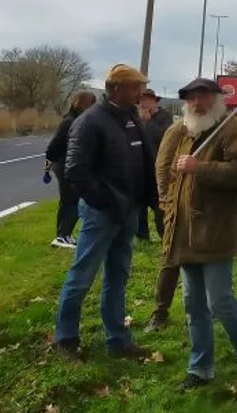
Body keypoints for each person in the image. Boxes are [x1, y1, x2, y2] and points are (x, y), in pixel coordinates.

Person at [158, 78, 237, 408]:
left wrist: (199, 168)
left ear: (217, 99)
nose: (197, 103)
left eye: (203, 96)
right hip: (186, 234)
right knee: (193, 304)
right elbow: (168, 169)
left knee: (220, 301)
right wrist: (166, 203)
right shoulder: (183, 131)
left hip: (216, 232)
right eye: (191, 98)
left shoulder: (231, 129)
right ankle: (201, 367)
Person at [54, 64, 158, 361]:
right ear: (115, 88)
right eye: (134, 87)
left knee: (117, 277)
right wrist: (104, 202)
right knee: (82, 276)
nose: (140, 93)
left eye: (140, 87)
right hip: (103, 213)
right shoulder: (90, 122)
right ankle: (66, 339)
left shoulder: (131, 119)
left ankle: (118, 341)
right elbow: (75, 170)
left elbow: (142, 162)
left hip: (128, 211)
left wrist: (148, 199)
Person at [45, 90, 96, 250]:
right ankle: (63, 235)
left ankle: (63, 235)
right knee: (71, 201)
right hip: (65, 165)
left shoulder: (75, 120)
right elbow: (55, 145)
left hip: (66, 164)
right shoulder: (71, 122)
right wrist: (50, 159)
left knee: (69, 201)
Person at [137, 90, 173, 242]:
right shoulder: (136, 117)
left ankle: (164, 234)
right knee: (139, 205)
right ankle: (142, 235)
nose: (143, 104)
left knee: (159, 204)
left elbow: (166, 135)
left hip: (158, 166)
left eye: (146, 100)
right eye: (140, 101)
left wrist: (148, 122)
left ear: (154, 101)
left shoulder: (165, 117)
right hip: (140, 167)